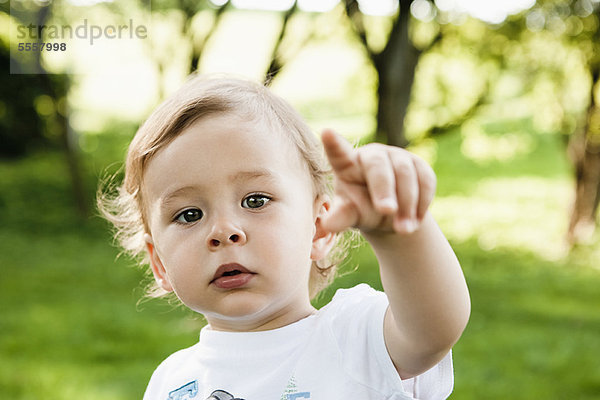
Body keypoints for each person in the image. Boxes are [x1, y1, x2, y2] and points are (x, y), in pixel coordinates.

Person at [99, 75, 470, 400]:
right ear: (159, 263)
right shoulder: (172, 381)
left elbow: (433, 331)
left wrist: (396, 235)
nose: (224, 231)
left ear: (318, 228)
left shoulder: (354, 340)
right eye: (189, 215)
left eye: (255, 200)